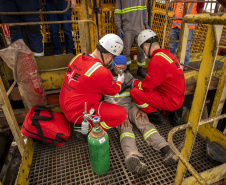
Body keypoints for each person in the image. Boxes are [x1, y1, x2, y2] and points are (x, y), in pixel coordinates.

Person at [104, 55, 180, 175]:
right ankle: (132, 156)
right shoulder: (106, 78)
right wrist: (120, 115)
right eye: (118, 67)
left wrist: (141, 108)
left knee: (144, 121)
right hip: (117, 109)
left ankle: (164, 147)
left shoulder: (128, 76)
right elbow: (108, 98)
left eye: (123, 68)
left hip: (131, 106)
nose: (121, 70)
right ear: (113, 65)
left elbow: (136, 93)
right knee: (125, 129)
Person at [59, 34, 127, 136]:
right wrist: (120, 81)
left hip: (64, 105)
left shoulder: (77, 57)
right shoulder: (101, 71)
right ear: (109, 56)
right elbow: (113, 91)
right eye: (111, 58)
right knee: (121, 114)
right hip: (76, 113)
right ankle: (89, 130)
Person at [130, 30, 185, 125]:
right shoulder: (169, 55)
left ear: (145, 48)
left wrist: (134, 82)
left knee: (134, 92)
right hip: (178, 98)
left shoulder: (156, 61)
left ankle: (155, 116)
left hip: (171, 101)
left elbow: (146, 87)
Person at [114, 0, 150, 78]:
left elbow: (144, 9)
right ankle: (128, 70)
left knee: (141, 50)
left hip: (139, 27)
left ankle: (140, 69)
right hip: (127, 28)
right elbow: (117, 11)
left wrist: (146, 23)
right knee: (126, 51)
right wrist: (119, 27)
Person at [169, 0, 204, 71]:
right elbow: (175, 7)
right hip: (174, 25)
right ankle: (172, 65)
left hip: (187, 27)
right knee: (172, 47)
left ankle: (183, 68)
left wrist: (197, 20)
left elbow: (200, 9)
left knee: (185, 48)